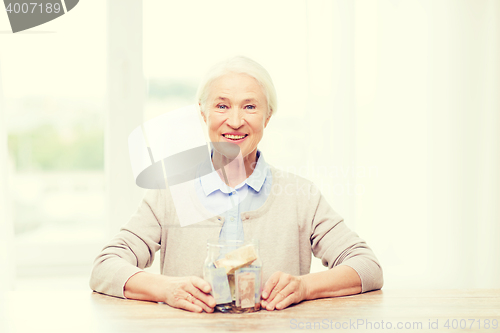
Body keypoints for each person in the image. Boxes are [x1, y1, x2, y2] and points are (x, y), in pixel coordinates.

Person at [90, 56, 383, 313]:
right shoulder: (171, 192)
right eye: (222, 105)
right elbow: (106, 266)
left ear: (268, 117)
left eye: (250, 106)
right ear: (203, 114)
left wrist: (305, 287)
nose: (235, 120)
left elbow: (367, 267)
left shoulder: (300, 195)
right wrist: (166, 289)